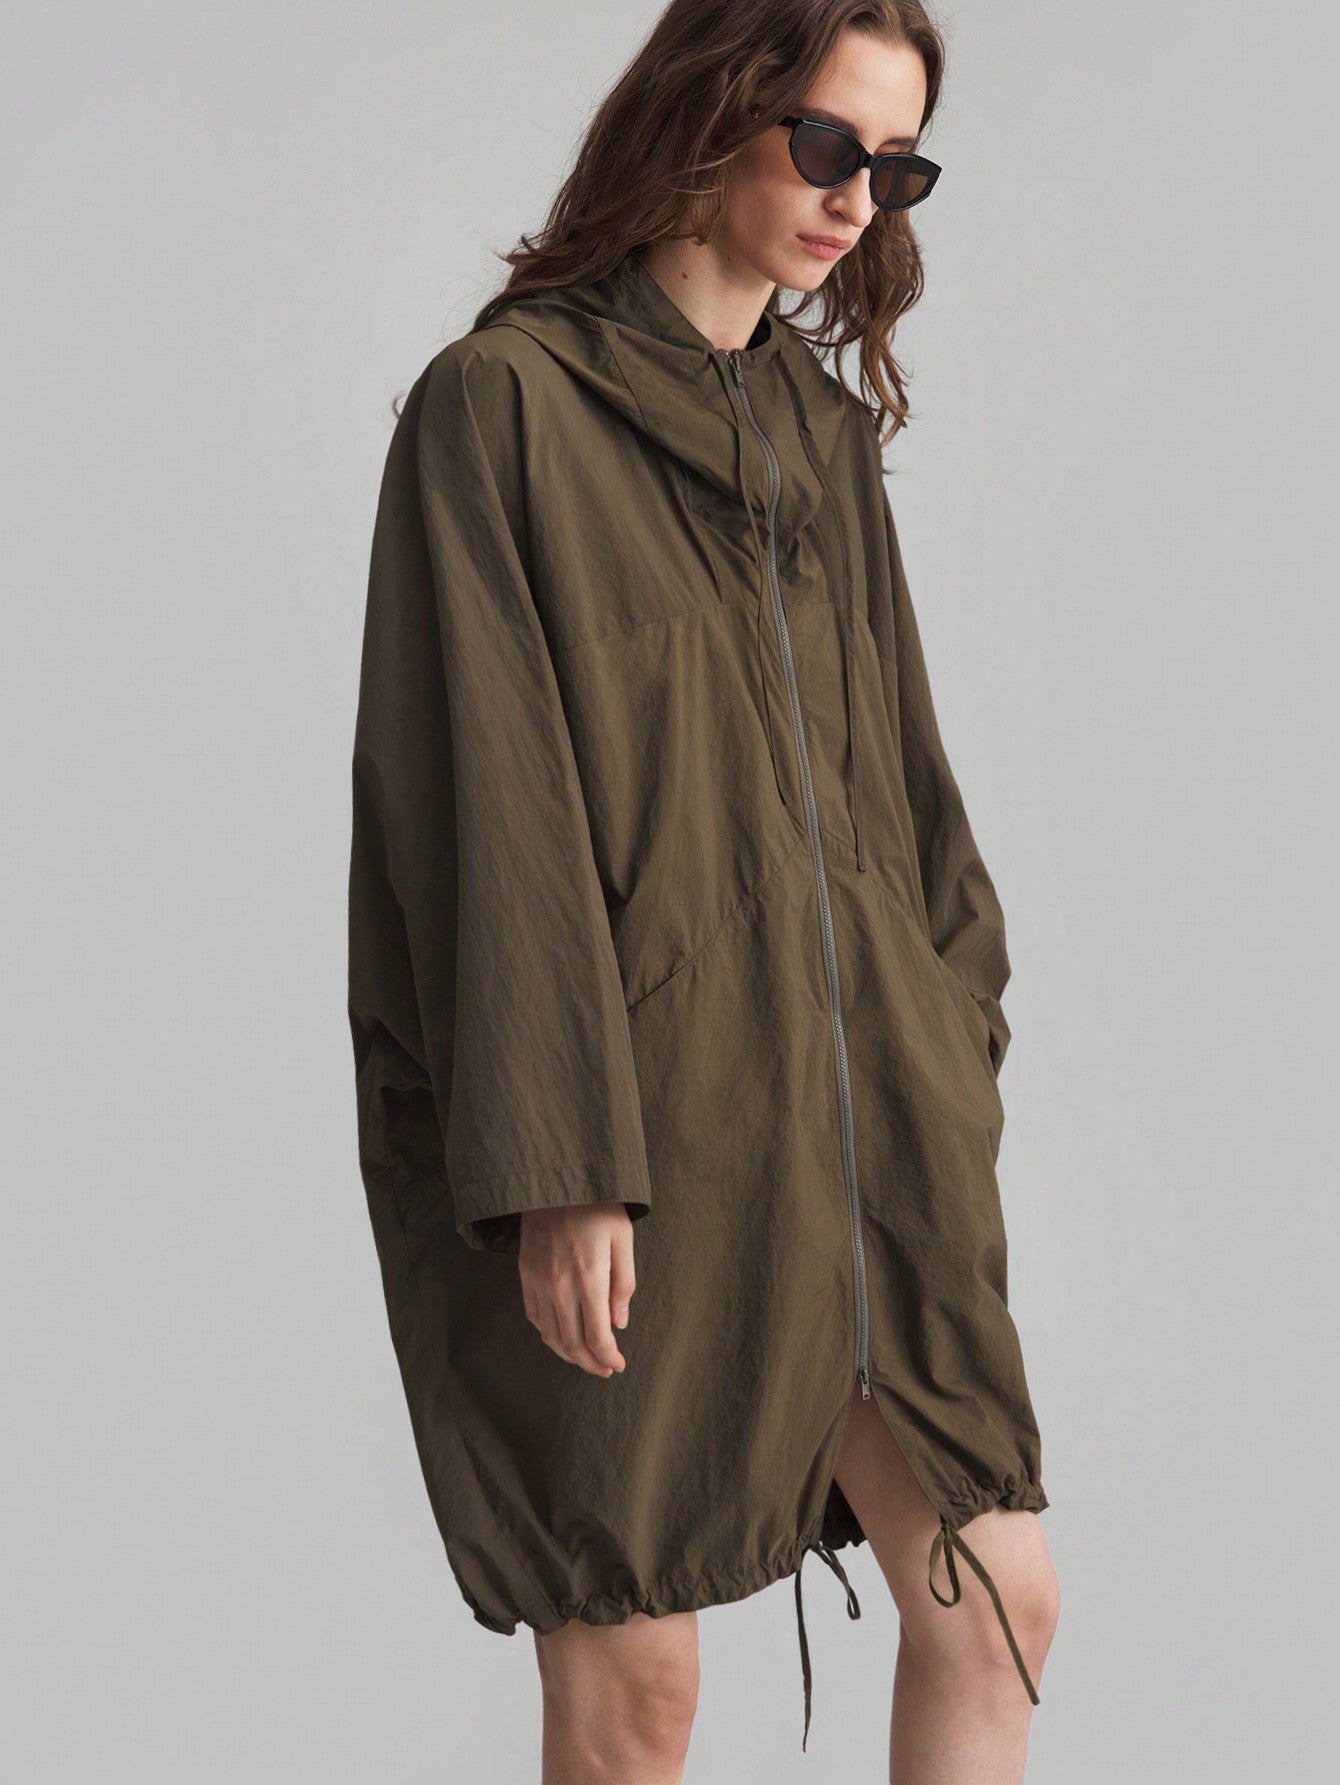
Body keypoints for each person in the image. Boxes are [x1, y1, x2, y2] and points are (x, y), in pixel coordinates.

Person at [348, 2, 1060, 1779]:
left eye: (896, 169)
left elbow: (907, 790)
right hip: (637, 1138)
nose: (857, 200)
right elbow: (481, 819)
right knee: (638, 1675)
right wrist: (559, 1165)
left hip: (878, 1139)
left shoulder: (819, 436)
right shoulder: (503, 408)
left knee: (999, 1597)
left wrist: (947, 1031)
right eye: (825, 145)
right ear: (711, 106)